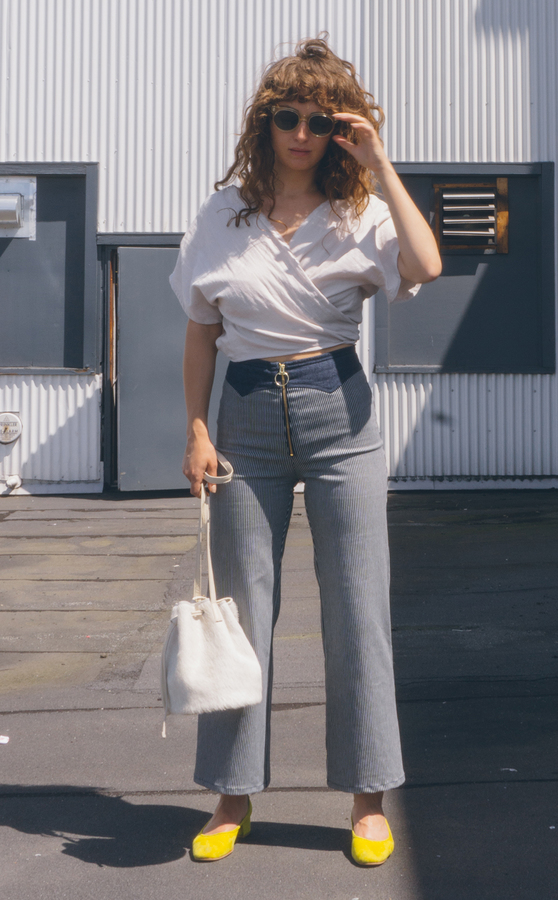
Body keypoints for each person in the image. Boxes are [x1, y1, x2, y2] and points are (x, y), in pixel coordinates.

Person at [170, 36, 441, 866]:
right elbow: (201, 332)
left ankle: (368, 797)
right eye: (287, 117)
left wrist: (380, 165)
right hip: (245, 414)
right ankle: (232, 793)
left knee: (358, 606)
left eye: (320, 121)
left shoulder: (359, 213)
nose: (301, 133)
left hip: (339, 412)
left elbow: (428, 264)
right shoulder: (224, 215)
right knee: (242, 611)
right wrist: (196, 428)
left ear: (339, 130)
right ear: (266, 122)